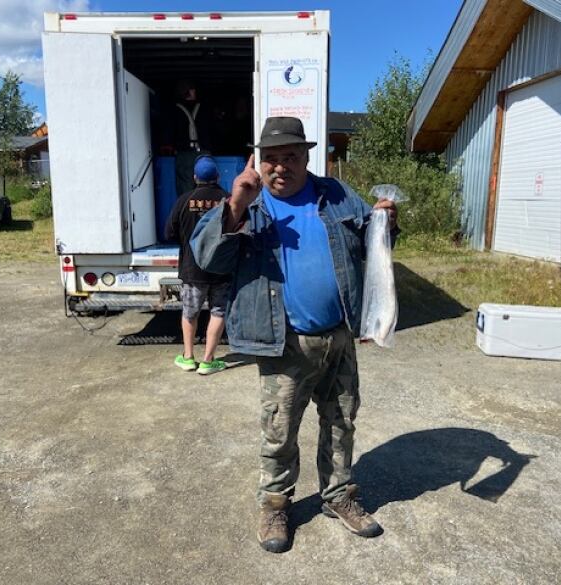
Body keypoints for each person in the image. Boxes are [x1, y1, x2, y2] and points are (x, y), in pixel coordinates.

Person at [191, 117, 398, 553]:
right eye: (271, 159)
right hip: (282, 340)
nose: (280, 167)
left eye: (290, 157)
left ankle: (338, 496)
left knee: (341, 422)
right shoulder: (248, 205)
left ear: (307, 157)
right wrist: (235, 204)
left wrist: (384, 223)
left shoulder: (337, 195)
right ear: (258, 162)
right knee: (279, 430)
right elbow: (208, 257)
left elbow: (369, 243)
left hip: (338, 333)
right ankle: (275, 505)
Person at [165, 155, 230, 375]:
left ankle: (188, 357)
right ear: (218, 176)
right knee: (218, 312)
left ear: (195, 177)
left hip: (192, 270)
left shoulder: (184, 200)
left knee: (189, 313)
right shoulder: (228, 200)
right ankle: (208, 361)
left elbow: (169, 232)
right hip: (222, 270)